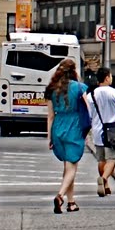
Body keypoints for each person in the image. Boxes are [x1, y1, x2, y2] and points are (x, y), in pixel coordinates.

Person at [43, 58, 88, 214]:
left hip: (57, 128)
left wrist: (49, 138)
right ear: (74, 71)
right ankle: (60, 196)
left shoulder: (51, 89)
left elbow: (50, 116)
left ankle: (71, 202)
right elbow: (88, 110)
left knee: (68, 167)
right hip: (74, 127)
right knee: (72, 167)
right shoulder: (80, 88)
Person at [88, 67, 115, 196]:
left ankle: (105, 186)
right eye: (110, 76)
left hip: (97, 131)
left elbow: (89, 115)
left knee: (101, 160)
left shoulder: (91, 95)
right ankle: (104, 179)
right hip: (113, 131)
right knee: (112, 158)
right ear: (106, 77)